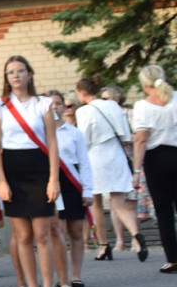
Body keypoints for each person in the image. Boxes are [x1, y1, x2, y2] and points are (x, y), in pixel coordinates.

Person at [0, 56, 60, 287]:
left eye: (20, 71)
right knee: (23, 236)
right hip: (12, 173)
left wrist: (54, 179)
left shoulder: (43, 104)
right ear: (6, 78)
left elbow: (52, 143)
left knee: (42, 234)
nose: (16, 76)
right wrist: (1, 181)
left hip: (39, 171)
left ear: (30, 74)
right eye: (10, 72)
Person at [75, 76, 145, 262]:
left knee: (95, 202)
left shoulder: (84, 111)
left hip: (95, 156)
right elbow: (124, 132)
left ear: (81, 92)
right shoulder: (113, 105)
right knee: (118, 202)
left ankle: (104, 245)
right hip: (116, 154)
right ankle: (136, 233)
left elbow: (84, 139)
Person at [44, 89, 92, 287]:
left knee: (75, 231)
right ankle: (62, 276)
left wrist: (88, 190)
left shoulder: (74, 133)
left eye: (58, 103)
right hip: (52, 183)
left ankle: (76, 275)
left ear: (64, 107)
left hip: (72, 182)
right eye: (51, 104)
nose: (55, 107)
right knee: (57, 231)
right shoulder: (41, 132)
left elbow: (84, 162)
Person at [131, 65, 177, 274]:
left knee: (164, 211)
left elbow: (141, 140)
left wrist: (137, 170)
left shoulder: (142, 106)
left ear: (144, 84)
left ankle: (173, 260)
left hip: (156, 160)